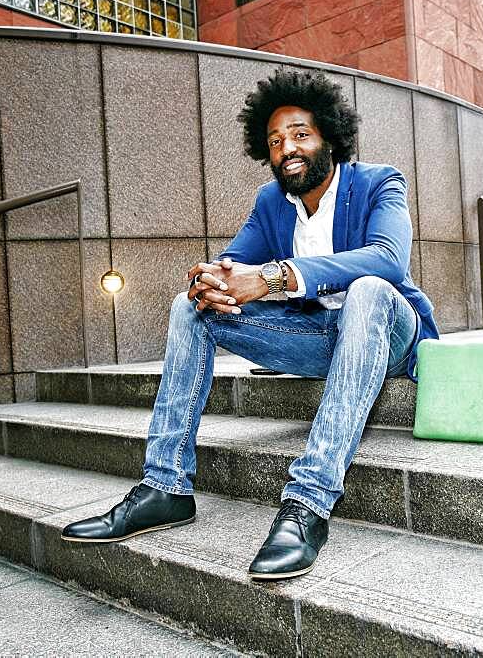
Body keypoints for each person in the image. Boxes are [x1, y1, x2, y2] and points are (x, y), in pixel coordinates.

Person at [60, 69, 439, 580]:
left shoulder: (378, 182)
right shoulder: (270, 202)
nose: (289, 148)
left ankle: (307, 506)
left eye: (301, 134)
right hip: (316, 340)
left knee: (369, 290)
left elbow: (387, 261)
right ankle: (165, 485)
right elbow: (236, 259)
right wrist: (210, 278)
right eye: (276, 141)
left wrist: (276, 277)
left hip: (388, 334)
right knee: (187, 307)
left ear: (330, 136)